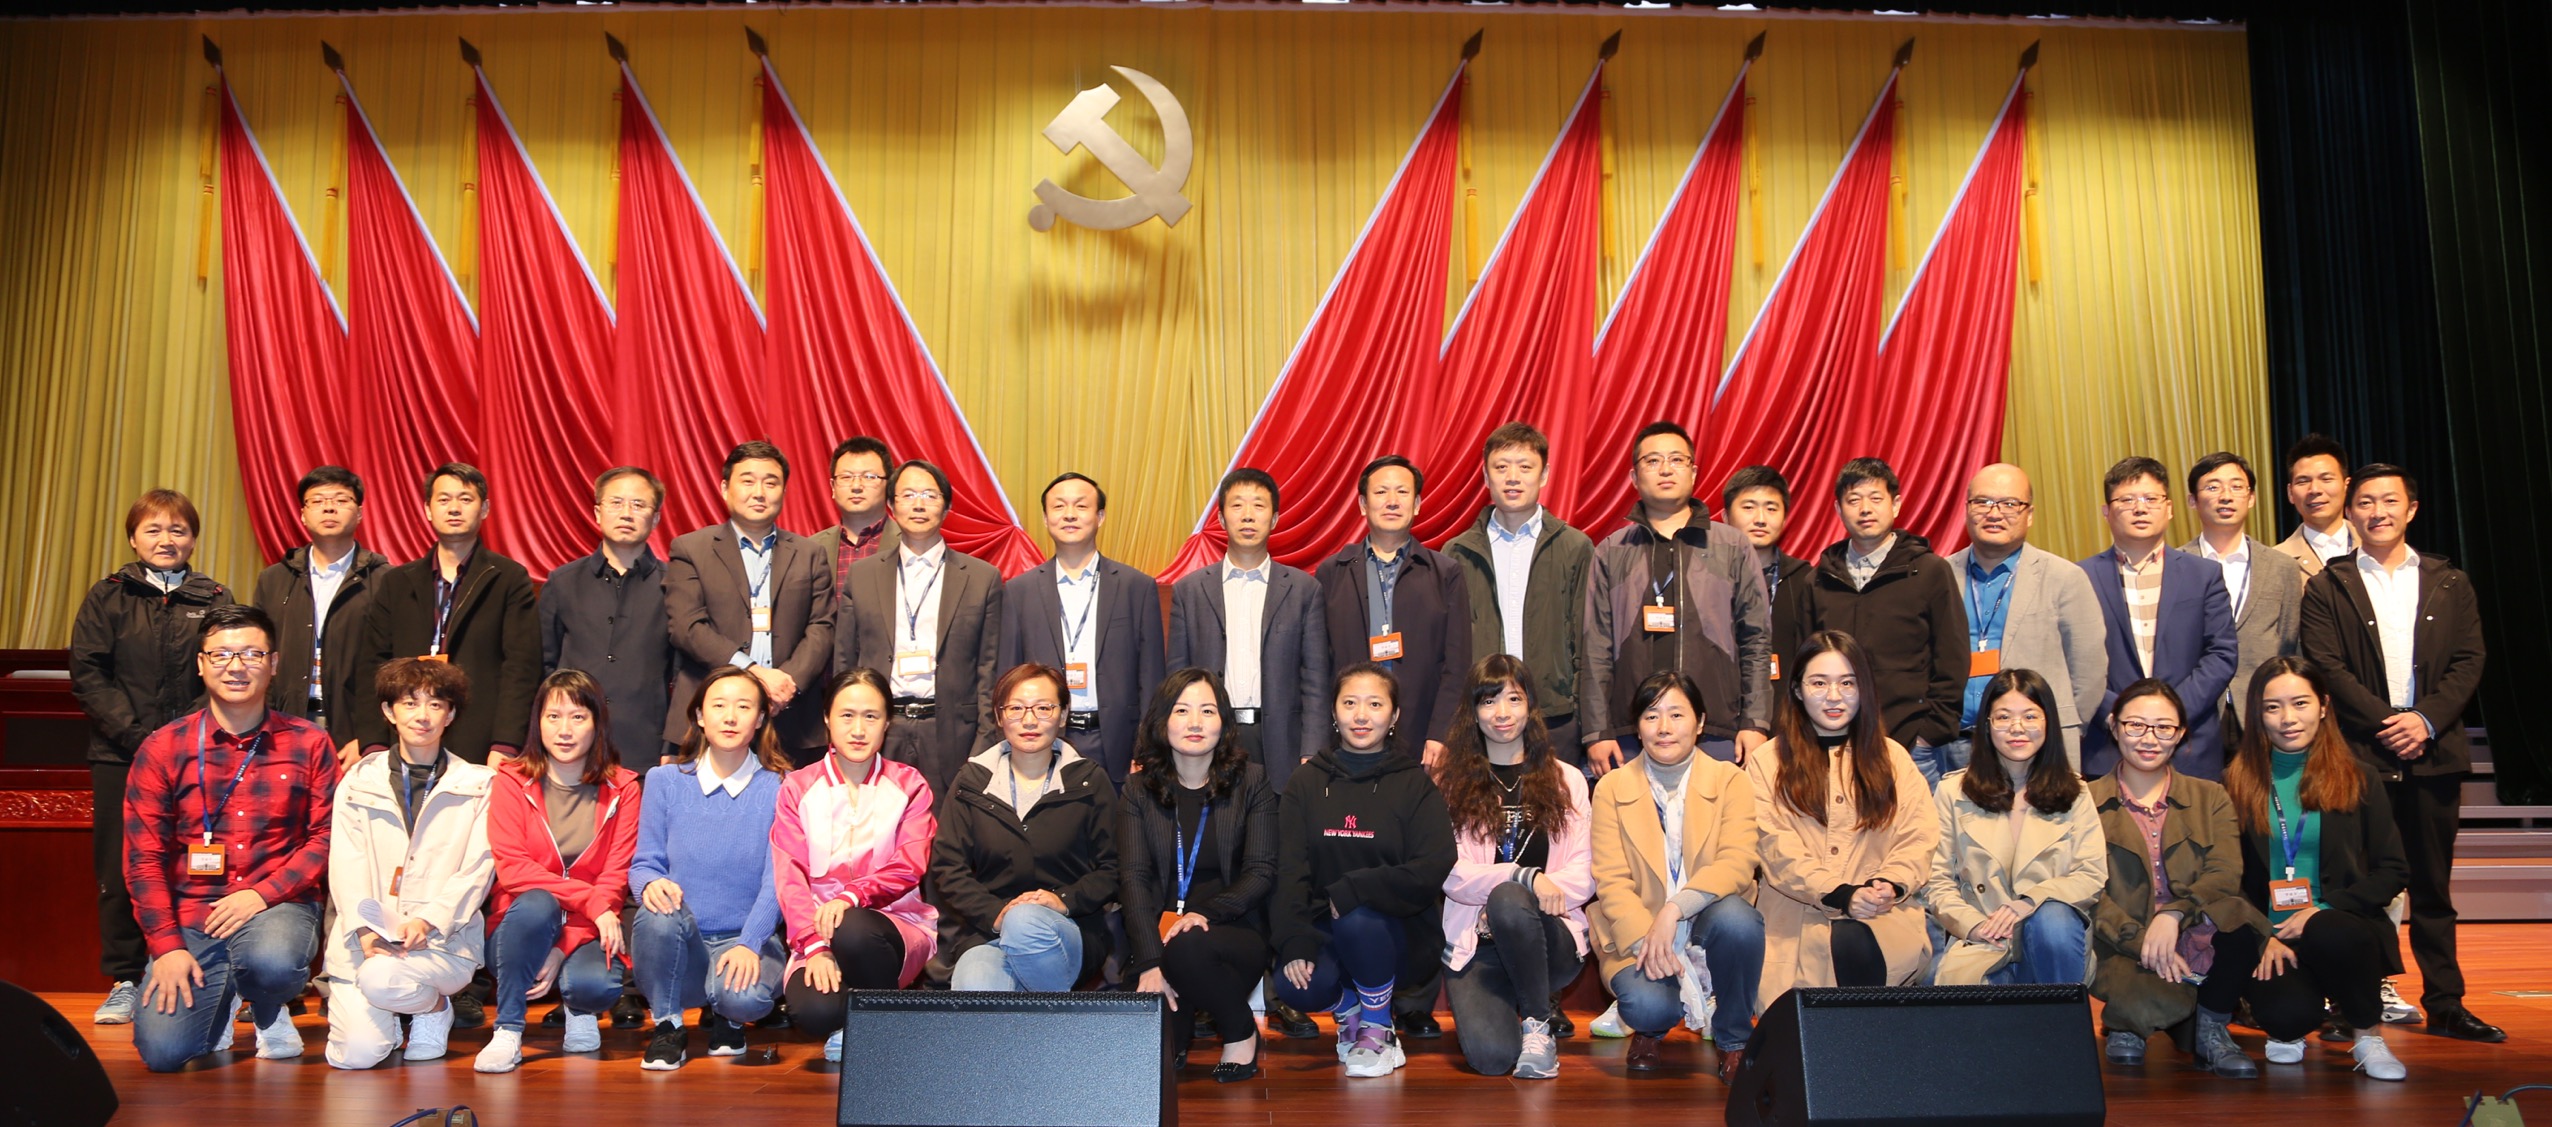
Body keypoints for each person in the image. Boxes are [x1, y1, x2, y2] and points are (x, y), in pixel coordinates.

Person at [2298, 464, 2500, 1042]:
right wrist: (2391, 722)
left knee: (2433, 888)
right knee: (2355, 885)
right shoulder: (2328, 586)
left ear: (2411, 509)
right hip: (2360, 756)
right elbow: (2326, 665)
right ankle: (2352, 1003)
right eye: (2365, 502)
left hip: (2433, 753)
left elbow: (2469, 661)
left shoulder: (2449, 581)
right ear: (2350, 511)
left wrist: (2425, 720)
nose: (2377, 512)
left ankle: (2446, 1003)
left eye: (2389, 501)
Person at [123, 605, 338, 1071]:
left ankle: (267, 1006)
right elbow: (143, 859)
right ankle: (223, 1002)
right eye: (221, 654)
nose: (236, 666)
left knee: (273, 962)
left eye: (251, 654)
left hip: (277, 904)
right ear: (201, 665)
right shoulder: (163, 747)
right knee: (164, 1053)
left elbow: (324, 837)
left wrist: (261, 895)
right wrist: (167, 947)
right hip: (193, 912)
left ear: (273, 663)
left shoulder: (309, 742)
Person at [72, 488, 235, 1025]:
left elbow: (225, 670)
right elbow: (89, 673)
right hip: (119, 754)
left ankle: (207, 970)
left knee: (198, 863)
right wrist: (140, 737)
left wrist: (179, 737)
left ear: (193, 538)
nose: (166, 540)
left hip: (198, 754)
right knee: (120, 866)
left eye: (177, 530)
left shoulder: (215, 597)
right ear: (133, 538)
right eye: (154, 530)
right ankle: (125, 977)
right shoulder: (108, 596)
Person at [2218, 657, 2414, 1081]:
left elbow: (2394, 870)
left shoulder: (2360, 777)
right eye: (2273, 707)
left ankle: (2367, 1034)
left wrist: (2322, 909)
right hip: (2271, 934)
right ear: (2257, 714)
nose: (2288, 718)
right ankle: (2290, 1024)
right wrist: (2261, 934)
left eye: (2300, 703)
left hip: (2340, 927)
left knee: (2331, 930)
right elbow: (2226, 878)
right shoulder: (2232, 783)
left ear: (2323, 706)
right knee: (2286, 1019)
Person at [1272, 663, 1457, 1078]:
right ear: (1333, 712)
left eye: (1375, 704)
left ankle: (1378, 1028)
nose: (1361, 716)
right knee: (1293, 985)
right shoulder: (1305, 782)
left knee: (1358, 918)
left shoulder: (1414, 784)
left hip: (1398, 935)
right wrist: (1294, 940)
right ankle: (1351, 1011)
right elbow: (1289, 870)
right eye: (1350, 703)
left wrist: (1355, 889)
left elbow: (1434, 864)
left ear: (1394, 716)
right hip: (1324, 927)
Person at [1586, 669, 1765, 1079]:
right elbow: (1611, 879)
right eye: (1651, 716)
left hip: (1707, 918)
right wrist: (1649, 939)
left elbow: (1737, 863)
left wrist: (1674, 910)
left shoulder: (1731, 780)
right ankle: (1649, 1030)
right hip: (1642, 930)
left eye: (1676, 714)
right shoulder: (1611, 787)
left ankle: (1734, 1039)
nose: (1663, 727)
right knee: (1647, 1006)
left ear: (1700, 722)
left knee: (1740, 921)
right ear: (1638, 727)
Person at [323, 658, 498, 1069]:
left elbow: (479, 868)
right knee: (356, 1056)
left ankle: (433, 1007)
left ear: (450, 715)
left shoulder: (478, 784)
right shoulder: (358, 780)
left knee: (381, 980)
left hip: (442, 943)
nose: (422, 716)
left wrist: (429, 920)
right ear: (389, 711)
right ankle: (404, 1009)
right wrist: (366, 930)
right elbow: (346, 863)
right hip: (365, 944)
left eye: (435, 704)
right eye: (410, 703)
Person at [2085, 678, 2259, 1079]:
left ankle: (2211, 1029)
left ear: (2180, 733)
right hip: (2123, 943)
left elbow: (2225, 873)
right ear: (2114, 726)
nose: (2149, 739)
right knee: (2141, 1001)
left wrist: (2174, 914)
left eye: (2164, 727)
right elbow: (2089, 890)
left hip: (2197, 932)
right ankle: (2131, 1019)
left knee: (2238, 917)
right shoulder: (2084, 802)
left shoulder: (2211, 796)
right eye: (2136, 725)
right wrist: (2142, 941)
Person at [1749, 632, 1937, 998]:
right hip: (1794, 922)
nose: (1834, 696)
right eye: (1819, 683)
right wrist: (1837, 893)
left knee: (1858, 940)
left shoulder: (1893, 759)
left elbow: (1918, 836)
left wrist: (1890, 883)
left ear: (1864, 689)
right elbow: (1773, 845)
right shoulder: (1767, 762)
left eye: (1847, 683)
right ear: (1798, 690)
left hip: (1881, 915)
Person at [1434, 655, 1594, 1079]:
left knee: (1508, 899)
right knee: (1491, 1059)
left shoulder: (1568, 780)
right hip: (1478, 941)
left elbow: (1583, 872)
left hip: (1549, 937)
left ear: (1531, 707)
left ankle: (1538, 1023)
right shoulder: (1450, 784)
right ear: (1473, 713)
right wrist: (1524, 876)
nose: (1502, 713)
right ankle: (1520, 1010)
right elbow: (1450, 873)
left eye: (1514, 699)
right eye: (1488, 701)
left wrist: (1523, 897)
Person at [1582, 423, 1773, 774]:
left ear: (1694, 472)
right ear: (1634, 476)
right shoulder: (1611, 551)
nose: (1666, 469)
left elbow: (1756, 642)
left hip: (1717, 729)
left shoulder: (1732, 546)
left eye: (1676, 460)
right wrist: (1597, 731)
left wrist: (1755, 722)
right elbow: (1595, 648)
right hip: (1628, 734)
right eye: (1653, 461)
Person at [475, 670, 641, 1073]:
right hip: (521, 926)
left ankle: (580, 1011)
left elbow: (615, 878)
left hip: (586, 928)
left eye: (578, 717)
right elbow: (514, 870)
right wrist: (590, 902)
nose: (564, 730)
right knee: (537, 902)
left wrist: (561, 947)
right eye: (554, 716)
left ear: (597, 723)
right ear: (538, 722)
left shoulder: (624, 788)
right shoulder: (511, 780)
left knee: (594, 987)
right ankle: (508, 1029)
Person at [1118, 669, 1278, 1082]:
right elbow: (1133, 879)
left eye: (1207, 711)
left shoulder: (1252, 781)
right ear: (1162, 720)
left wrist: (1204, 912)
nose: (1194, 722)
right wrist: (1149, 961)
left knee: (1188, 946)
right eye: (1181, 710)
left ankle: (1240, 1031)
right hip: (1158, 934)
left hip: (1230, 930)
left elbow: (1260, 871)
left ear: (1223, 722)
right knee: (1156, 1060)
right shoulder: (1137, 789)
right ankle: (1181, 1021)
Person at [774, 668, 940, 1064]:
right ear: (827, 718)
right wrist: (814, 946)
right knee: (814, 1011)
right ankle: (864, 1018)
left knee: (852, 928)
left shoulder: (910, 784)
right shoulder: (797, 787)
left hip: (892, 927)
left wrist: (851, 896)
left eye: (871, 716)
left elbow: (909, 865)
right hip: (815, 931)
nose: (859, 729)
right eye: (847, 716)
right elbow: (789, 877)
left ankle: (882, 1024)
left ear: (887, 722)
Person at [628, 666, 790, 1070]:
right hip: (683, 938)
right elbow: (644, 863)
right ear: (700, 715)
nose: (730, 717)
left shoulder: (781, 786)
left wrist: (750, 942)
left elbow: (778, 880)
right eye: (719, 706)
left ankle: (728, 1018)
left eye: (743, 707)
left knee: (744, 998)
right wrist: (649, 883)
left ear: (761, 718)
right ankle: (668, 1026)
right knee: (655, 912)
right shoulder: (665, 781)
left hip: (745, 940)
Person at [1773, 458, 1968, 785]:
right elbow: (1803, 665)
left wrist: (1928, 734)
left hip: (1912, 747)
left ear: (1896, 504)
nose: (1865, 509)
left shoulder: (1930, 571)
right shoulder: (1818, 580)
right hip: (1835, 745)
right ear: (1838, 509)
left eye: (1876, 498)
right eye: (1854, 500)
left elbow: (1952, 657)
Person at [930, 664, 1120, 991]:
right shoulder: (972, 782)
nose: (1029, 720)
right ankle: (1050, 1021)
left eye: (1043, 708)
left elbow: (1113, 867)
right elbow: (948, 867)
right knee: (974, 981)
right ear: (999, 716)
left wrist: (1063, 900)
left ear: (1063, 715)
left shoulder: (1089, 781)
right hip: (991, 931)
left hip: (1071, 928)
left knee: (1024, 922)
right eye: (1016, 708)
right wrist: (995, 913)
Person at [1925, 668, 2106, 987]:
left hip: (2052, 943)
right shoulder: (1953, 792)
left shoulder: (2075, 792)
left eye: (2030, 716)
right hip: (1984, 940)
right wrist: (1974, 926)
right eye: (2004, 717)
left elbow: (2091, 874)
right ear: (1986, 725)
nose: (2017, 728)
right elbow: (1936, 880)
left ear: (2048, 722)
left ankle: (2060, 1017)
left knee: (2052, 919)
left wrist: (2030, 902)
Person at [353, 463, 540, 766]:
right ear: (428, 509)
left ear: (484, 509)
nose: (454, 508)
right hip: (404, 733)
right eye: (443, 499)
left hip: (480, 738)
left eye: (465, 499)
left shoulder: (508, 578)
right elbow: (371, 666)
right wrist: (373, 742)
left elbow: (521, 667)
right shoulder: (397, 582)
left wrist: (506, 743)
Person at [839, 460, 1004, 798]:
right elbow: (845, 660)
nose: (918, 504)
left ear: (947, 506)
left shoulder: (981, 578)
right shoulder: (863, 575)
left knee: (947, 826)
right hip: (879, 729)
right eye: (908, 495)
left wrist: (984, 744)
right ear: (891, 504)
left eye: (929, 495)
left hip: (951, 733)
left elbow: (990, 669)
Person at [665, 441, 837, 764]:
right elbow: (687, 627)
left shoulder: (809, 553)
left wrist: (787, 683)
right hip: (711, 717)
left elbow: (822, 626)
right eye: (747, 481)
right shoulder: (691, 549)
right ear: (725, 488)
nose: (759, 492)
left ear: (784, 491)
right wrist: (754, 672)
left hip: (791, 716)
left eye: (770, 483)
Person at [1939, 463, 2106, 781]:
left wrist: (2055, 729)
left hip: (2038, 746)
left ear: (2029, 514)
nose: (1994, 513)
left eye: (2009, 504)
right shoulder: (1940, 574)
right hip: (1953, 745)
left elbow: (2089, 671)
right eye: (1983, 502)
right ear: (1967, 509)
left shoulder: (2065, 578)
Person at [1167, 468, 1332, 789]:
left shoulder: (1304, 590)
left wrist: (1312, 749)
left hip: (1280, 742)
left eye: (1258, 505)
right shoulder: (1190, 591)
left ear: (1274, 519)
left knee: (1276, 820)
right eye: (1237, 505)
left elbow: (1315, 679)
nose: (1247, 515)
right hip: (1211, 737)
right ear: (1221, 517)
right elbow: (1176, 679)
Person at [2076, 457, 2239, 780]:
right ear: (2106, 511)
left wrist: (2170, 714)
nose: (2140, 509)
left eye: (2151, 499)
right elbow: (2074, 663)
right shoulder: (2079, 577)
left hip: (2189, 745)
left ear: (2170, 508)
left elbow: (2221, 653)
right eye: (2127, 500)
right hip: (2107, 748)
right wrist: (2121, 716)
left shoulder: (2203, 574)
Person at [1000, 473, 1166, 783]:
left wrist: (1148, 748)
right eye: (1059, 506)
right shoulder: (1019, 591)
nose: (1070, 514)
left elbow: (1152, 676)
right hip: (1043, 740)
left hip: (1118, 743)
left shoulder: (1136, 587)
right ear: (1046, 518)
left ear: (1100, 516)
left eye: (1081, 506)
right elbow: (1008, 677)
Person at [1446, 424, 1595, 766]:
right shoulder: (1458, 552)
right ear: (1486, 476)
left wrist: (1580, 713)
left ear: (1544, 475)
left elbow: (1587, 641)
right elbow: (1451, 647)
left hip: (1555, 716)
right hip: (1482, 715)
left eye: (1525, 467)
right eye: (1501, 467)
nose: (1512, 477)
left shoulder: (1575, 547)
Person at [1318, 456, 1471, 768]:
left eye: (1402, 492)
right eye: (1381, 492)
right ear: (1363, 504)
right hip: (1350, 732)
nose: (1392, 501)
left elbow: (1457, 664)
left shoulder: (1445, 573)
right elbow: (1318, 665)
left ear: (1416, 504)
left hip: (1422, 733)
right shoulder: (1332, 572)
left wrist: (1441, 733)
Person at [540, 466, 673, 766]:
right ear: (598, 513)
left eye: (638, 505)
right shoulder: (562, 582)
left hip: (645, 748)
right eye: (616, 503)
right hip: (570, 748)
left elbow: (681, 674)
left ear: (655, 518)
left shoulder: (674, 585)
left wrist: (673, 744)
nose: (626, 513)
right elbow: (544, 667)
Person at [251, 466, 388, 751]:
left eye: (341, 500)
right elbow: (258, 653)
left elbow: (395, 664)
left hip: (355, 728)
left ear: (359, 513)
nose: (329, 508)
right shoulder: (274, 579)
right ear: (303, 514)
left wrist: (370, 735)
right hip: (282, 723)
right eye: (317, 501)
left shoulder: (385, 579)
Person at [2184, 452, 2304, 736]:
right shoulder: (2176, 566)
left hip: (2263, 710)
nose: (2226, 496)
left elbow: (2290, 643)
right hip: (2195, 711)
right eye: (2213, 487)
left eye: (2237, 487)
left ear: (2251, 498)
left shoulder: (2281, 566)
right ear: (2192, 500)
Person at [1723, 466, 1811, 638]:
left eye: (1771, 509)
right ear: (1726, 517)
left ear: (1784, 519)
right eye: (1749, 507)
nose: (1761, 519)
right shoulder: (1707, 575)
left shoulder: (1805, 579)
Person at [809, 436, 900, 599]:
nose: (856, 486)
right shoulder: (811, 548)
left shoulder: (910, 544)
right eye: (846, 477)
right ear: (833, 487)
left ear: (889, 485)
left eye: (869, 477)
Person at [2274, 434, 2355, 577]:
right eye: (2303, 481)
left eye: (2326, 479)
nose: (2315, 490)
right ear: (2290, 493)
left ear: (2346, 486)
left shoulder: (2376, 546)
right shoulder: (2276, 561)